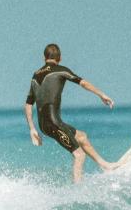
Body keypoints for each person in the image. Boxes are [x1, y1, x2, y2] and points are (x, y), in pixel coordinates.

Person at [24, 43, 121, 183]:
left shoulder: (35, 76)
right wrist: (102, 94)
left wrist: (32, 129)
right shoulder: (60, 70)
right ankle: (78, 192)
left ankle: (105, 165)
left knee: (82, 136)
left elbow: (28, 104)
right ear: (60, 58)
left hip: (44, 124)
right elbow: (83, 83)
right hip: (53, 123)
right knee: (79, 155)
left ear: (44, 58)